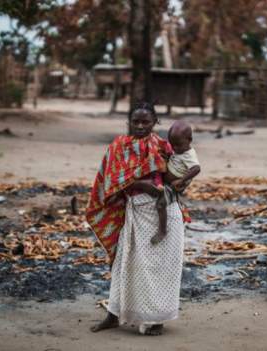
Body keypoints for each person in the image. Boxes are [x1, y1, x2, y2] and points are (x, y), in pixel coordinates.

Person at [86, 102, 186, 336]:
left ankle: (156, 320)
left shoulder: (163, 147)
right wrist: (141, 184)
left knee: (161, 268)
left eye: (146, 122)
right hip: (135, 212)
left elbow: (177, 177)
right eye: (136, 121)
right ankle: (113, 315)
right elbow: (110, 182)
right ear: (128, 122)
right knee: (124, 265)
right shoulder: (118, 147)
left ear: (155, 123)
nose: (140, 126)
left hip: (165, 213)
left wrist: (170, 185)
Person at [152, 121, 201, 245]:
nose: (175, 148)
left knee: (161, 204)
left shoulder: (189, 154)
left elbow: (196, 169)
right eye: (172, 145)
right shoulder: (178, 149)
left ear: (189, 140)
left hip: (174, 185)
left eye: (178, 145)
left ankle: (162, 230)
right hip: (167, 180)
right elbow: (174, 159)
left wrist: (182, 180)